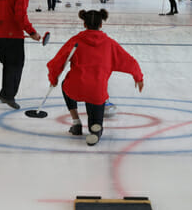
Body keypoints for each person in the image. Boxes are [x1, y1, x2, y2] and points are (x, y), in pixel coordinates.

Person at [47, 9, 144, 146]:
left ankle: (76, 122)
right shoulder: (110, 43)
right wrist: (138, 77)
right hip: (97, 92)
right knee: (95, 113)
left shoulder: (75, 41)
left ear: (84, 24)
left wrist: (53, 79)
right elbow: (129, 62)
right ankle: (95, 128)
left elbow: (56, 63)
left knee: (64, 85)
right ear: (101, 25)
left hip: (76, 87)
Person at [0, 0, 41, 110]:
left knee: (8, 64)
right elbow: (20, 16)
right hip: (11, 35)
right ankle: (8, 95)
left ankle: (5, 93)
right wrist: (32, 32)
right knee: (16, 64)